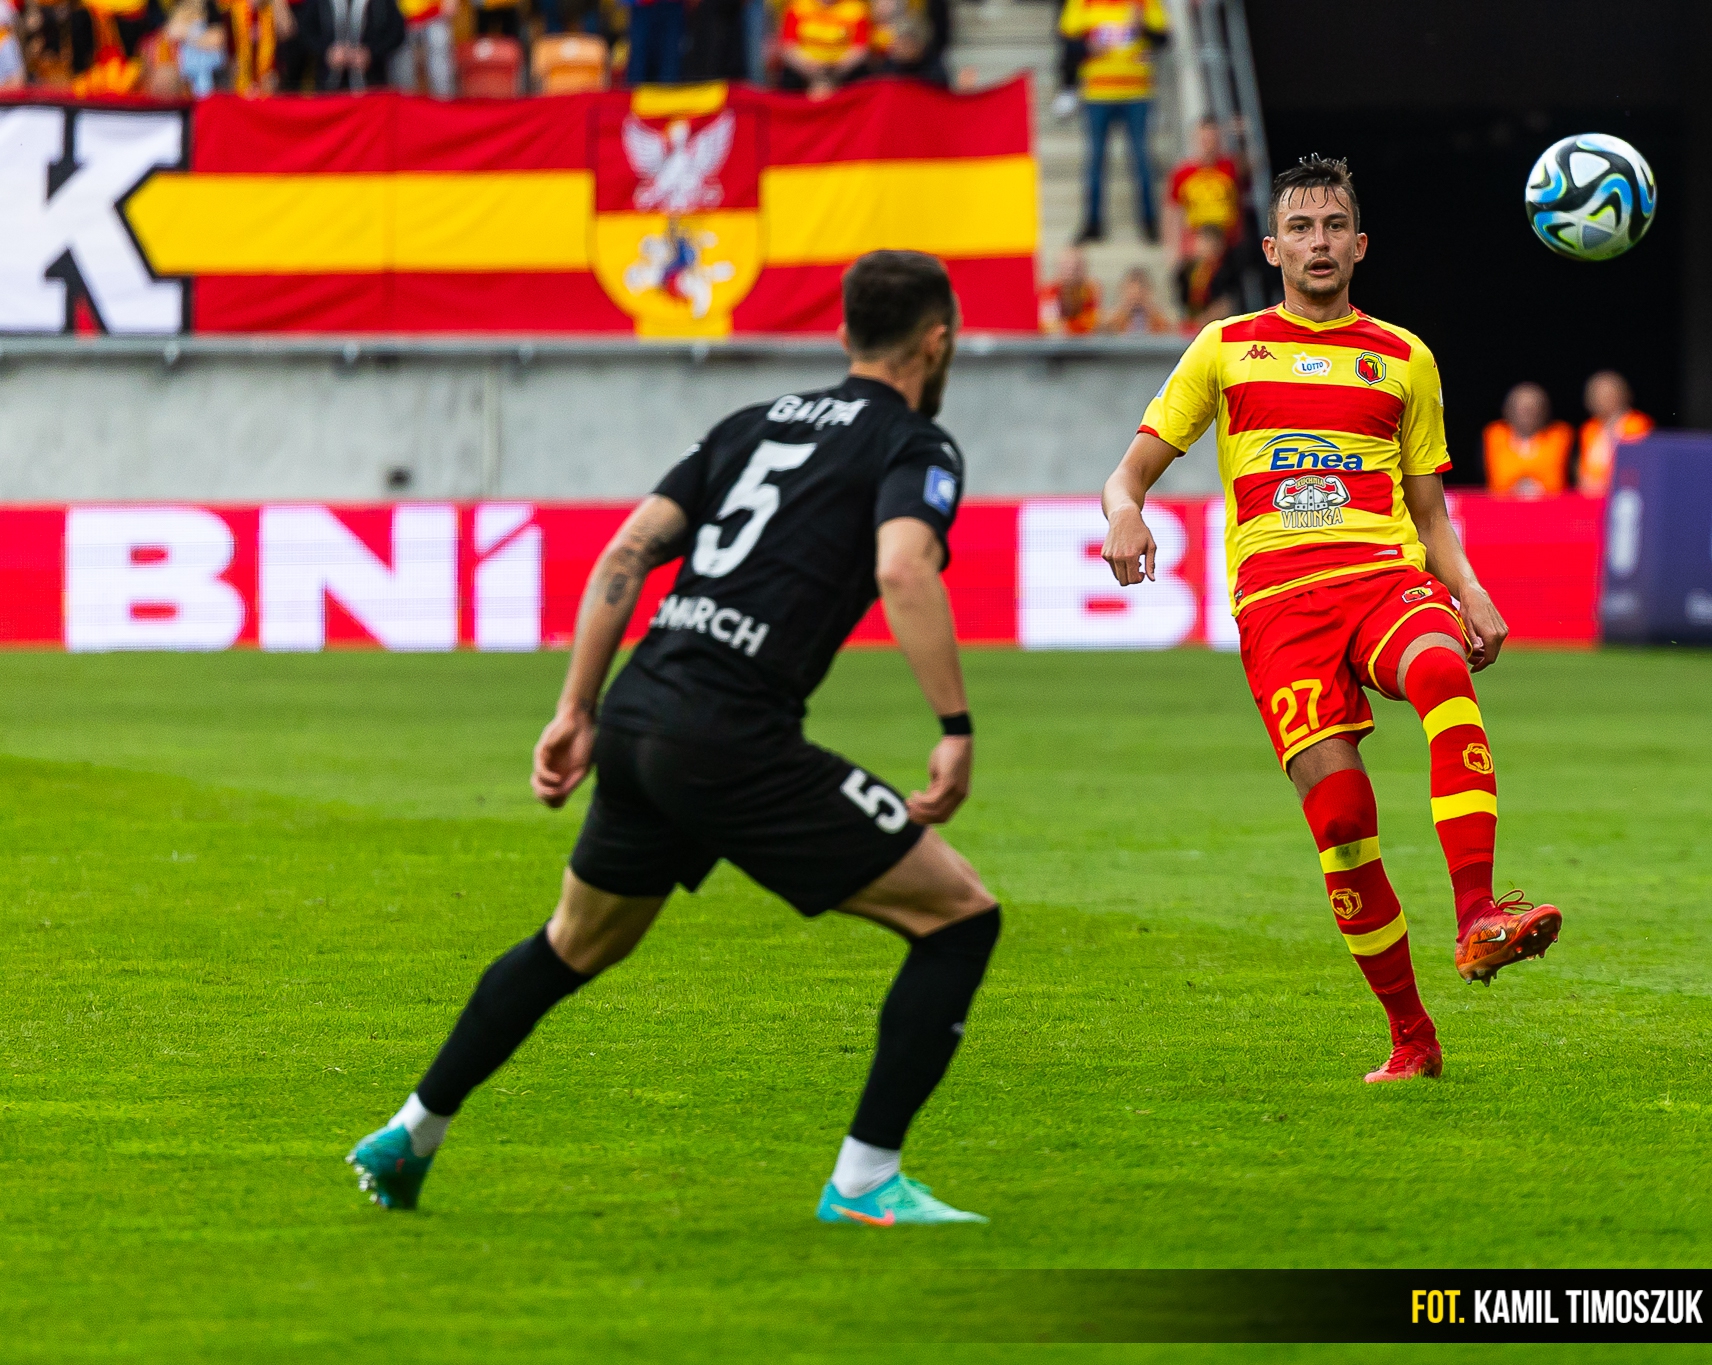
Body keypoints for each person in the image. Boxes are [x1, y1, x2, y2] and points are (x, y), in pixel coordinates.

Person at [347, 252, 1000, 1227]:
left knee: (576, 942)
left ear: (842, 336)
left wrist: (577, 708)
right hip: (730, 732)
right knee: (958, 916)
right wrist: (953, 726)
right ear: (938, 341)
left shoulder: (752, 423)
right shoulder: (915, 443)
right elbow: (904, 569)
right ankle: (865, 1182)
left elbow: (628, 550)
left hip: (642, 707)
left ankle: (411, 1131)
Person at [1098, 155, 1561, 1086]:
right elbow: (1130, 471)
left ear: (1360, 244)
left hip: (1382, 576)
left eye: (1334, 226)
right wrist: (1124, 514)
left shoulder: (1404, 357)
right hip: (1279, 605)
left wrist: (1469, 588)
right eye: (1301, 228)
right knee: (1344, 823)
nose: (1319, 242)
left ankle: (1479, 915)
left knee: (1442, 668)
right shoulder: (1225, 348)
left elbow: (1430, 513)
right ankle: (1412, 1035)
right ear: (1273, 248)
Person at [1059, 0, 1166, 243]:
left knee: (1141, 158)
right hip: (1098, 92)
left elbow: (1163, 39)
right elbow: (1067, 42)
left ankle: (1149, 221)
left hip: (1137, 92)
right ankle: (1093, 222)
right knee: (1095, 159)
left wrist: (1143, 27)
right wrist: (1088, 47)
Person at [1166, 115, 1242, 261]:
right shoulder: (1182, 173)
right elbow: (1172, 211)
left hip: (1229, 244)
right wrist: (1173, 247)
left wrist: (1241, 135)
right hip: (1196, 246)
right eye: (1204, 140)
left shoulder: (1230, 166)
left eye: (1213, 140)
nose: (1209, 146)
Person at [1483, 382, 1572, 499]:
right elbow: (1497, 482)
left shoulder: (1560, 436)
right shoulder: (1494, 436)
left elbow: (1556, 483)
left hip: (1551, 506)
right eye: (1522, 409)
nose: (1527, 414)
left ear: (1544, 411)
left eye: (1533, 408)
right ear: (1508, 410)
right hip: (1503, 506)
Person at [1575, 370, 1652, 498]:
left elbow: (1635, 465)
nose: (1602, 400)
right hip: (1590, 495)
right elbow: (1583, 466)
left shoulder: (1637, 424)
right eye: (1598, 395)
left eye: (1608, 394)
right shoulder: (1589, 428)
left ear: (1622, 395)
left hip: (1623, 494)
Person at [776, 0, 868, 98]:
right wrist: (809, 67)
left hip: (842, 71)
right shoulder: (798, 6)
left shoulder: (856, 10)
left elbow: (860, 49)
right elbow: (788, 46)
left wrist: (836, 69)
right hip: (803, 69)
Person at [1174, 223, 1240, 329]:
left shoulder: (1226, 270)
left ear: (1219, 245)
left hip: (1216, 325)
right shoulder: (1188, 269)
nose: (1201, 247)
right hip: (1191, 321)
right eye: (1200, 241)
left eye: (1206, 242)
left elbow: (1226, 304)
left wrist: (1202, 321)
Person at [866, 0, 945, 85]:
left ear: (919, 45)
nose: (899, 48)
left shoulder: (933, 70)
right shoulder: (889, 68)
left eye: (905, 43)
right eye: (898, 42)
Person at [1037, 245, 1100, 335]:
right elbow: (1047, 324)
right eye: (1066, 266)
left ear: (1083, 268)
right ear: (1058, 267)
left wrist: (1066, 326)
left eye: (1076, 267)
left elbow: (1090, 324)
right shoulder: (1049, 291)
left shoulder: (1090, 290)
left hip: (1082, 341)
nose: (1070, 271)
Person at [625, 0, 684, 85]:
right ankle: (635, 89)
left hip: (672, 5)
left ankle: (667, 91)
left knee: (669, 58)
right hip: (642, 5)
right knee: (639, 59)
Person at [1102, 265, 1171, 334]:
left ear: (1149, 292)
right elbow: (1103, 329)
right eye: (1132, 297)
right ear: (1122, 291)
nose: (1136, 302)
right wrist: (1122, 311)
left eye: (1141, 295)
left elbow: (1169, 330)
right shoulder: (1114, 317)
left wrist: (1152, 312)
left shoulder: (1158, 319)